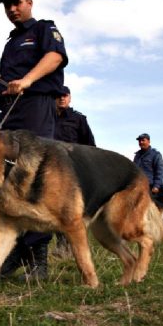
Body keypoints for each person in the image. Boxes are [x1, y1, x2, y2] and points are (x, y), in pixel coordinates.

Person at [0, 0, 68, 281]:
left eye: (17, 3)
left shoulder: (44, 28)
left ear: (29, 2)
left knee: (34, 176)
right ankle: (16, 249)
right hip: (10, 110)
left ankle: (37, 257)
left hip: (37, 106)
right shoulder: (11, 42)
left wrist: (28, 80)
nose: (12, 9)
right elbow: (10, 84)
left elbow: (55, 57)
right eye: (7, 5)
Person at [53, 86, 95, 256]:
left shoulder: (78, 119)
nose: (61, 98)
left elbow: (90, 145)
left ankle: (75, 245)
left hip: (74, 170)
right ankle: (62, 243)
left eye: (65, 96)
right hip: (53, 169)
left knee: (72, 208)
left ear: (69, 98)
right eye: (58, 96)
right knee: (55, 207)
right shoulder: (47, 118)